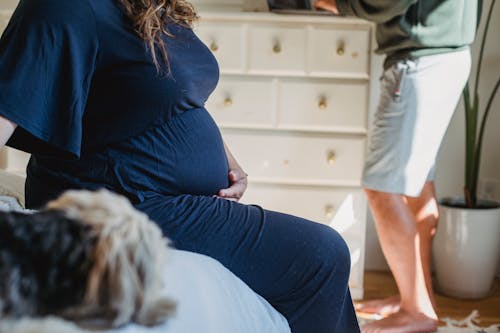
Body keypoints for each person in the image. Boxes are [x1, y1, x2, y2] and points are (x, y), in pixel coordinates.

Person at [0, 0, 360, 332]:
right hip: (121, 197)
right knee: (321, 254)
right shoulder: (64, 6)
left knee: (315, 266)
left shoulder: (149, 6)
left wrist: (227, 157)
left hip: (157, 193)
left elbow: (172, 99)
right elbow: (6, 105)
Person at [314, 0, 479, 332]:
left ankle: (417, 311)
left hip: (422, 60)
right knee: (416, 186)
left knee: (382, 188)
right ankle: (417, 299)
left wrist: (336, 4)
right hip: (443, 56)